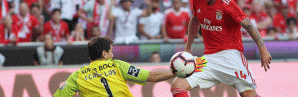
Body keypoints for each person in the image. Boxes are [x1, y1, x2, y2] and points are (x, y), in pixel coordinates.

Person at [170, 0, 272, 97]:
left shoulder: (227, 2)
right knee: (177, 86)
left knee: (249, 95)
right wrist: (188, 47)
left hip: (230, 57)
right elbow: (195, 20)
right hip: (209, 58)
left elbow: (248, 25)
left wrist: (262, 48)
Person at [54, 37, 194, 96]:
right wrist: (177, 71)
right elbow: (151, 76)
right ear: (104, 54)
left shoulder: (78, 76)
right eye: (111, 51)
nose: (113, 54)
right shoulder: (116, 65)